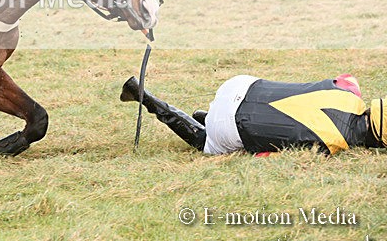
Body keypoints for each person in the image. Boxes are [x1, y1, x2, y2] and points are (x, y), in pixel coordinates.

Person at [120, 74, 386, 155]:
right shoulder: (332, 146)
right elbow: (263, 155)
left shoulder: (350, 92)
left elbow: (346, 79)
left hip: (239, 84)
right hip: (231, 125)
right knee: (205, 143)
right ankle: (146, 98)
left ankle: (206, 115)